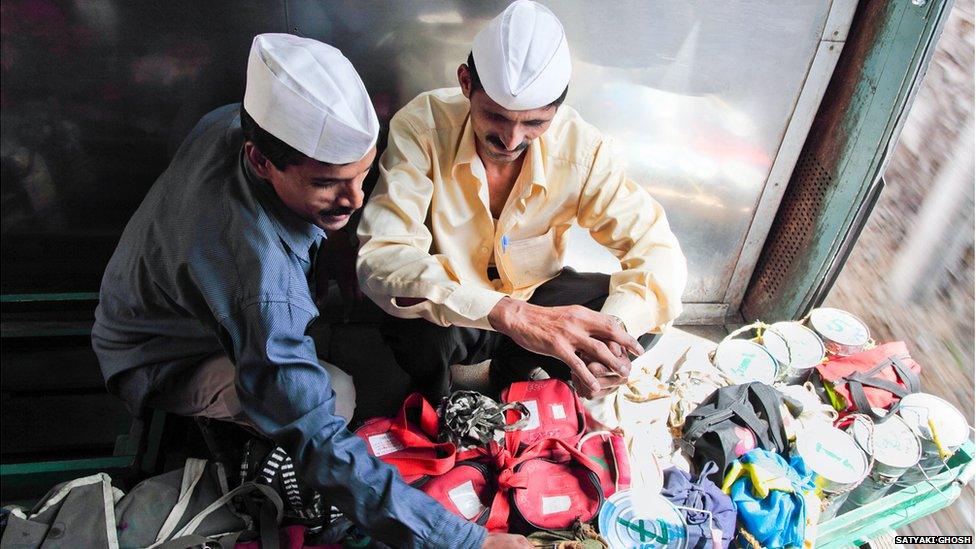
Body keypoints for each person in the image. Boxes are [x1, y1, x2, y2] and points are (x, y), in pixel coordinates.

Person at [92, 33, 527, 548]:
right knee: (335, 394)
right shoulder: (263, 283)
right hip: (157, 355)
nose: (354, 199)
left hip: (163, 297)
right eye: (327, 183)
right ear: (259, 161)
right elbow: (319, 439)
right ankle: (250, 463)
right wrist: (465, 541)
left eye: (363, 173)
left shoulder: (232, 121)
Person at [357, 0, 688, 404]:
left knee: (637, 322)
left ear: (557, 109)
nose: (511, 141)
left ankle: (514, 371)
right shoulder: (421, 127)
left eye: (534, 123)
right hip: (462, 313)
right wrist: (511, 315)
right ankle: (433, 399)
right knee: (406, 310)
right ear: (466, 83)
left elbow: (658, 252)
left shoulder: (582, 149)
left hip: (540, 297)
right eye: (495, 116)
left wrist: (612, 330)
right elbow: (382, 259)